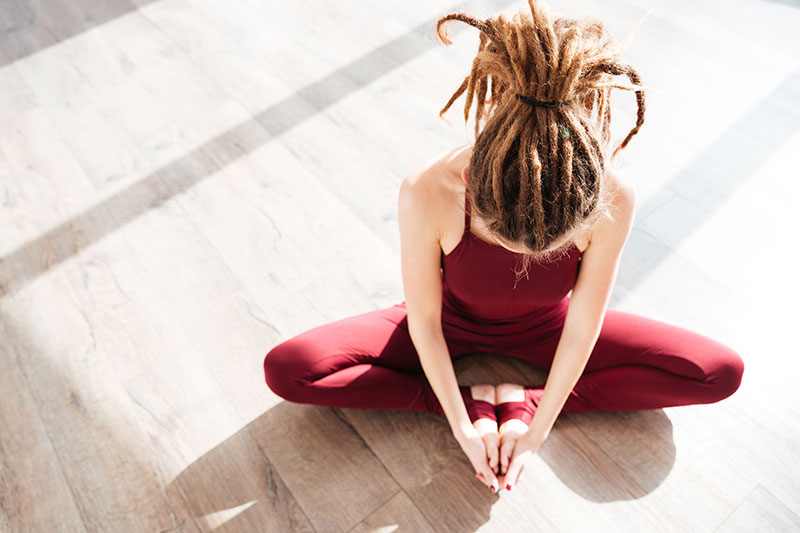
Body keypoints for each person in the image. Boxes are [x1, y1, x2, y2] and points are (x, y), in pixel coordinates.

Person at [263, 0, 744, 495]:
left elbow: (581, 328)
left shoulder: (613, 197)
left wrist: (533, 429)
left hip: (550, 330)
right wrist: (462, 423)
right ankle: (470, 399)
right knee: (290, 369)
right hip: (447, 324)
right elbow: (425, 323)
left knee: (718, 372)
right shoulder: (429, 188)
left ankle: (524, 396)